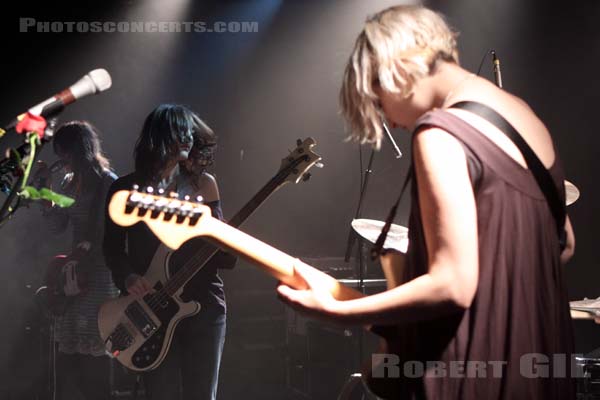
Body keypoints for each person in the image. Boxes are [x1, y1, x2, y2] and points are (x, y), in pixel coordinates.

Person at [277, 5, 576, 399]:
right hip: (542, 367)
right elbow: (564, 245)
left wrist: (337, 312)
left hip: (470, 373)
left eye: (379, 104)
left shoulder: (439, 132)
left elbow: (452, 284)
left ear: (394, 70)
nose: (391, 123)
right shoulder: (525, 116)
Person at [103, 104, 234, 400]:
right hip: (152, 308)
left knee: (202, 395)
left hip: (203, 304)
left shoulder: (204, 185)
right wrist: (128, 277)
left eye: (190, 133)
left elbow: (226, 258)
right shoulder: (125, 190)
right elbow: (111, 247)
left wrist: (219, 231)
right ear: (158, 137)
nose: (187, 139)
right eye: (180, 132)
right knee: (160, 393)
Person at [40, 121, 119, 400]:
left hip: (99, 274)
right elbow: (55, 227)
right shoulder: (67, 183)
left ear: (79, 150)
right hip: (74, 275)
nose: (62, 161)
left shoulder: (109, 182)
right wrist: (45, 195)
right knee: (69, 362)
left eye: (65, 154)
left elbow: (114, 232)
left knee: (96, 360)